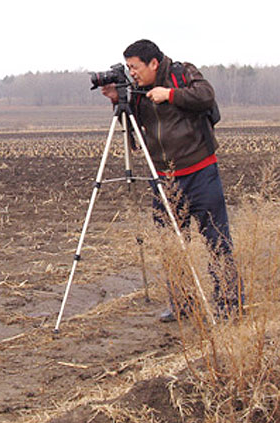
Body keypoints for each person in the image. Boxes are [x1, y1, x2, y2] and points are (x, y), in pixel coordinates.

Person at [101, 39, 243, 322]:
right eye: (128, 68)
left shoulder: (183, 73)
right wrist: (118, 101)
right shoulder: (137, 91)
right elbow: (131, 129)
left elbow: (206, 95)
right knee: (172, 244)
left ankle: (229, 304)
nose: (133, 74)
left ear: (153, 63)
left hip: (200, 171)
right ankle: (182, 304)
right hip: (163, 178)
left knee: (216, 239)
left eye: (135, 67)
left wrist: (170, 95)